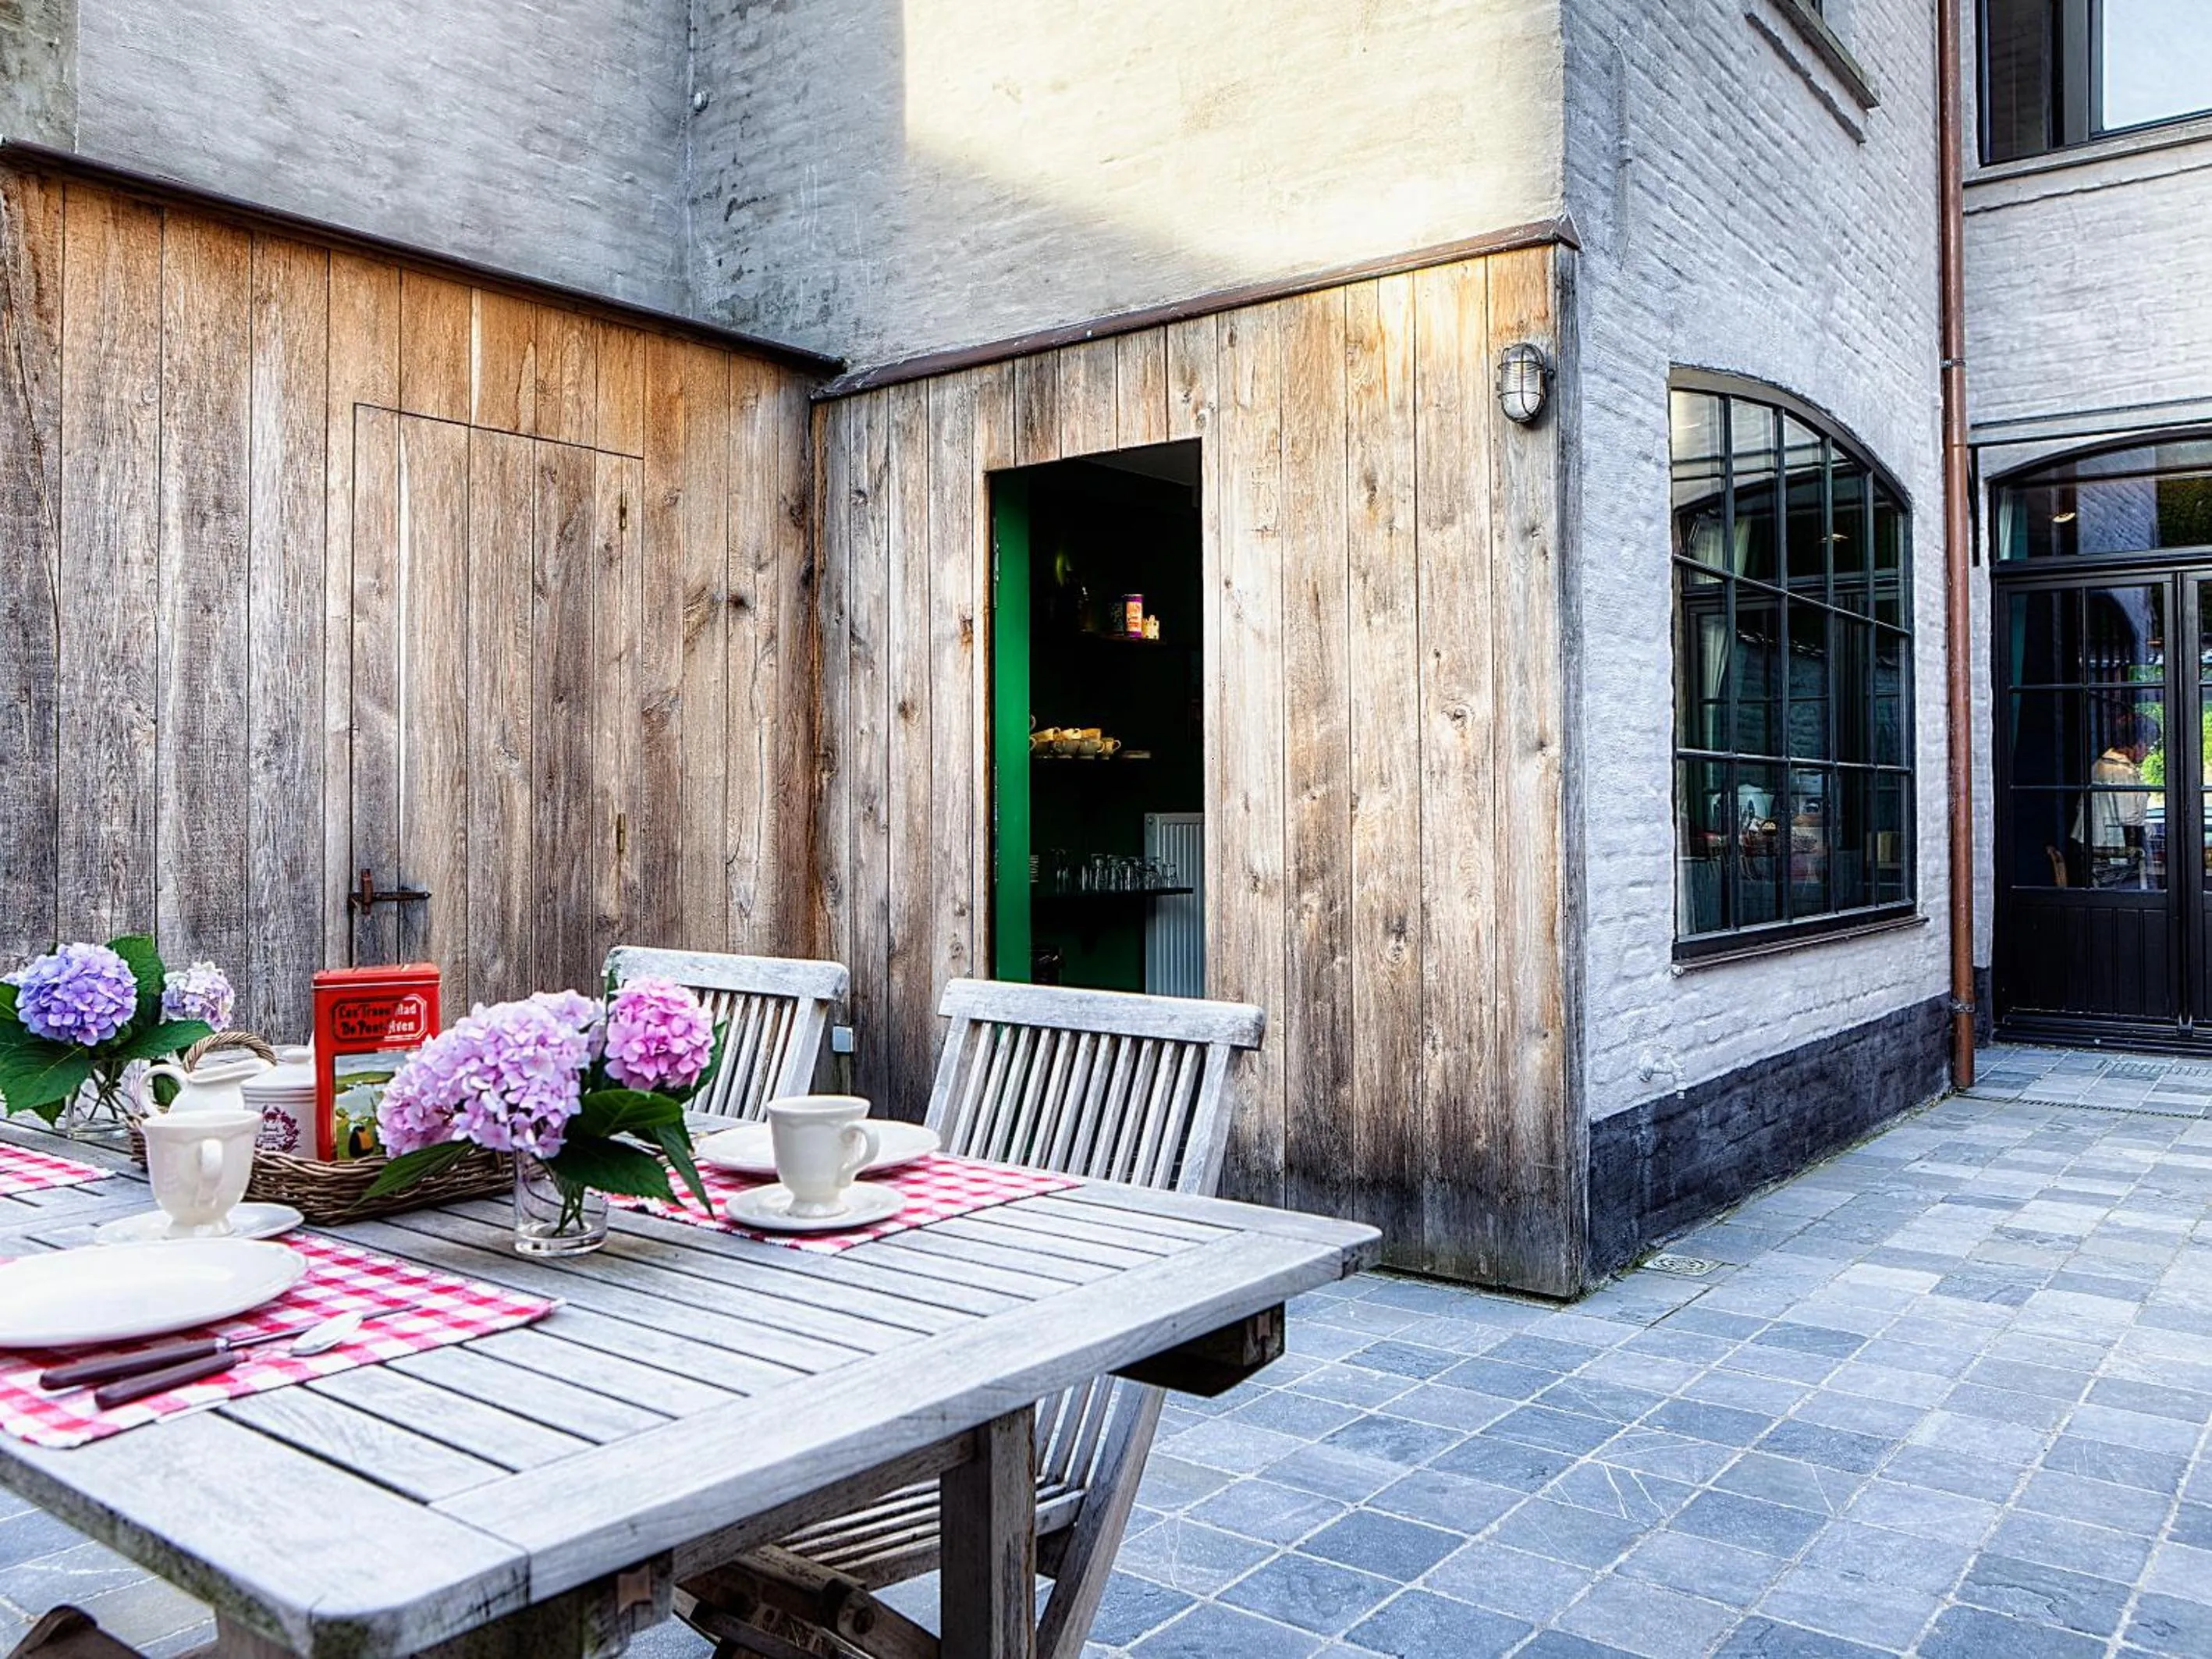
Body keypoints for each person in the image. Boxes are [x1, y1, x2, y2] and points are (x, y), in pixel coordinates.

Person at [2068, 710, 2161, 887]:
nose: (2148, 752)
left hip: (2090, 850)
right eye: (2148, 746)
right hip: (2110, 858)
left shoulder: (2099, 765)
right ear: (2137, 743)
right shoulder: (2120, 772)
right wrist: (2150, 830)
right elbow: (2130, 819)